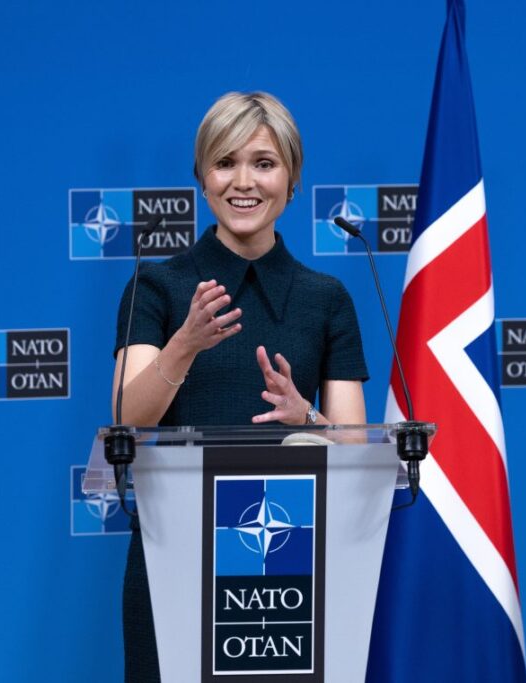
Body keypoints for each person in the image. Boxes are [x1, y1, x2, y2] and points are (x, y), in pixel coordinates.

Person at [111, 91, 368, 682]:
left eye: (264, 162)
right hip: (173, 558)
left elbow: (359, 455)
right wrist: (185, 344)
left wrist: (309, 419)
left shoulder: (326, 299)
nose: (243, 181)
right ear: (202, 177)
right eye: (225, 163)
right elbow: (127, 418)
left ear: (292, 178)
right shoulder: (158, 287)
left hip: (295, 571)